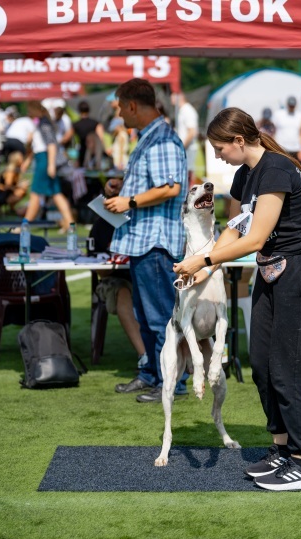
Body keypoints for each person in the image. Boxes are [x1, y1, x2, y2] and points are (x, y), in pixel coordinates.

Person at [173, 107, 301, 491]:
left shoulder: (276, 170)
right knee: (261, 362)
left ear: (239, 141)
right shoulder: (245, 176)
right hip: (273, 270)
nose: (217, 156)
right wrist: (203, 268)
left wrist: (204, 258)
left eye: (219, 147)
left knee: (288, 366)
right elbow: (233, 228)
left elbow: (256, 238)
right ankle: (280, 449)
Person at [104, 77, 189, 403]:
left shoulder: (163, 140)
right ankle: (152, 374)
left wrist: (130, 201)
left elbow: (170, 187)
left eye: (120, 108)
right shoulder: (150, 137)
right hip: (144, 242)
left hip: (155, 243)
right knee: (145, 316)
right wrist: (121, 189)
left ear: (133, 106)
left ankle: (173, 383)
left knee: (159, 319)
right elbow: (157, 183)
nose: (119, 115)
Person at [89, 207, 147, 369]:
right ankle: (145, 356)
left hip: (144, 276)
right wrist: (113, 262)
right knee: (122, 291)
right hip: (114, 279)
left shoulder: (143, 221)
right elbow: (99, 270)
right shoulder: (100, 226)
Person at [22, 100, 74, 231]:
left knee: (35, 193)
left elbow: (51, 145)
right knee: (56, 193)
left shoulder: (44, 124)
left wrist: (51, 165)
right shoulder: (43, 123)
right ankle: (70, 223)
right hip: (43, 159)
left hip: (45, 161)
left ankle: (25, 225)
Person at [171, 91, 199, 186]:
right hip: (185, 148)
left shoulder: (187, 110)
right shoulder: (182, 110)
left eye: (173, 96)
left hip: (188, 148)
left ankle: (190, 198)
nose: (171, 99)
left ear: (180, 97)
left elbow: (192, 132)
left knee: (188, 175)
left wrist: (182, 146)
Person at [73, 100, 109, 168]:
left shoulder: (76, 125)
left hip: (82, 152)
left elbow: (68, 137)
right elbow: (100, 138)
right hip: (95, 152)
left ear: (79, 110)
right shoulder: (95, 123)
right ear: (88, 110)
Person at [272, 96, 301, 161]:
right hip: (282, 148)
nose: (291, 107)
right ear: (287, 104)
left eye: (293, 106)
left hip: (296, 149)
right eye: (290, 105)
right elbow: (273, 131)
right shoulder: (278, 114)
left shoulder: (300, 116)